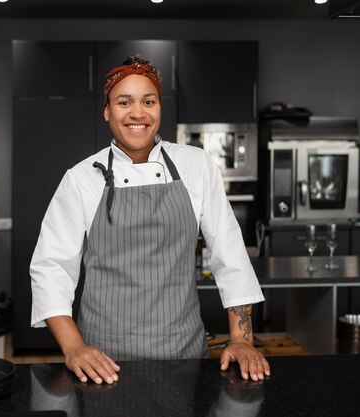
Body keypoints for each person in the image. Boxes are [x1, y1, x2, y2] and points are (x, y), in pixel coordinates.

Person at [30, 55, 270, 385]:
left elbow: (230, 255)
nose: (138, 113)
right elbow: (52, 266)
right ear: (107, 111)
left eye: (149, 101)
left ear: (159, 108)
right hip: (103, 363)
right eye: (124, 102)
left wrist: (242, 339)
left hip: (183, 354)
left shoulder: (195, 165)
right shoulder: (82, 178)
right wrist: (73, 348)